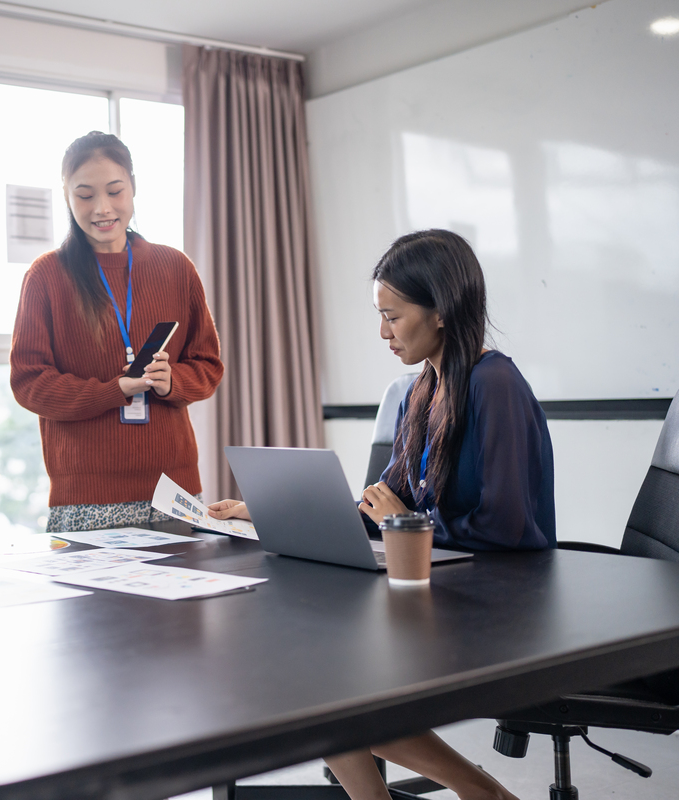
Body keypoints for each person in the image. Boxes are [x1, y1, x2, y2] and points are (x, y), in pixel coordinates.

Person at [211, 229, 554, 800]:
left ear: (441, 311)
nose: (383, 332)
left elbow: (507, 526)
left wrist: (407, 525)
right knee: (306, 667)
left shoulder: (495, 384)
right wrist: (265, 510)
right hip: (444, 590)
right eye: (380, 316)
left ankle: (480, 791)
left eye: (392, 317)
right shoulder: (424, 390)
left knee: (325, 679)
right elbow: (380, 507)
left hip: (501, 603)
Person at [10, 131, 223, 531]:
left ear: (133, 187)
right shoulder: (46, 275)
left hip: (174, 491)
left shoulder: (176, 268)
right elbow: (29, 383)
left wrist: (172, 381)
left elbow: (208, 365)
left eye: (115, 191)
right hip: (87, 500)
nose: (102, 208)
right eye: (85, 195)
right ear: (67, 196)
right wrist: (113, 390)